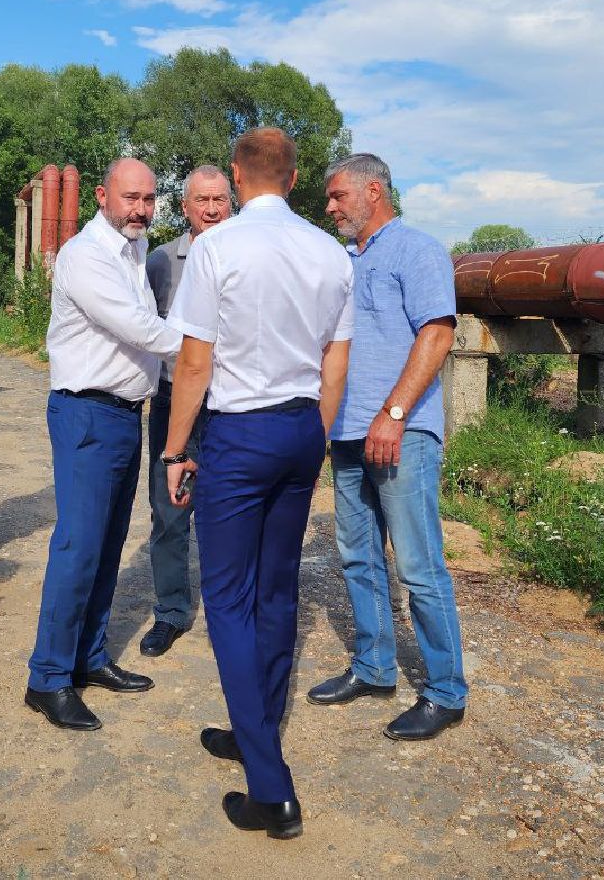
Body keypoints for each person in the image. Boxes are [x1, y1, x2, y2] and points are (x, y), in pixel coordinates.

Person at [163, 128, 353, 839]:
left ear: (239, 177)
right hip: (303, 427)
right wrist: (315, 438)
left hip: (239, 433)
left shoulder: (217, 247)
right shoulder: (331, 253)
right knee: (278, 591)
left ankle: (270, 789)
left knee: (229, 598)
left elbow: (193, 362)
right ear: (295, 177)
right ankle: (255, 731)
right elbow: (337, 365)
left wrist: (177, 449)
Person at [313, 153, 469, 740]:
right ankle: (375, 667)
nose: (330, 208)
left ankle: (446, 692)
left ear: (372, 190)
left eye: (337, 197)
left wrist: (393, 414)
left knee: (419, 565)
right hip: (348, 433)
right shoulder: (349, 261)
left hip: (399, 433)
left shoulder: (417, 250)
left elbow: (438, 333)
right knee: (357, 557)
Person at [25, 157, 182, 732]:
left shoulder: (133, 250)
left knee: (110, 543)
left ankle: (88, 658)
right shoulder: (85, 255)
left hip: (122, 415)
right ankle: (47, 678)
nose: (141, 209)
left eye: (148, 199)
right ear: (101, 195)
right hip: (86, 414)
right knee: (79, 547)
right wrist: (206, 350)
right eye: (130, 198)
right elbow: (137, 327)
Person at [139, 164, 232, 658]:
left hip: (231, 405)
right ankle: (171, 613)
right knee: (170, 512)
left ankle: (227, 614)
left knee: (226, 513)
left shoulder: (248, 252)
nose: (212, 210)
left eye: (220, 200)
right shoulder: (161, 262)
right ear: (185, 206)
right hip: (176, 401)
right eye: (203, 201)